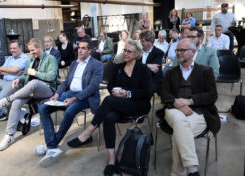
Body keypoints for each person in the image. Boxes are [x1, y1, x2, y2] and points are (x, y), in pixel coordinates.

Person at [67, 40, 154, 176]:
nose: (125, 53)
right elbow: (109, 85)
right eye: (124, 50)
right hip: (118, 102)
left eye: (129, 51)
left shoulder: (142, 69)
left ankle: (88, 132)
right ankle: (112, 160)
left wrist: (128, 93)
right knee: (108, 117)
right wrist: (116, 92)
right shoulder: (118, 67)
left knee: (108, 100)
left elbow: (148, 91)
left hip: (138, 105)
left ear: (137, 54)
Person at [34, 38, 103, 167]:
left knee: (69, 112)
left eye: (83, 48)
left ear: (90, 51)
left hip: (85, 97)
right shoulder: (74, 63)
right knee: (43, 108)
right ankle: (52, 146)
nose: (79, 50)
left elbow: (92, 87)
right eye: (79, 47)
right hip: (69, 93)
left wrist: (75, 99)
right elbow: (65, 83)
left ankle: (51, 145)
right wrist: (57, 94)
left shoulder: (97, 65)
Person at [160, 38, 220, 176]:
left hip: (198, 112)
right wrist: (175, 103)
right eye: (177, 50)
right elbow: (163, 94)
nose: (179, 53)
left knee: (179, 135)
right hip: (173, 111)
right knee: (180, 122)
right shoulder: (171, 72)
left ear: (193, 52)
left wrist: (190, 101)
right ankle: (193, 169)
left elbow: (212, 96)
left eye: (182, 50)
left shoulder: (206, 71)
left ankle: (177, 173)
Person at [0, 38, 58, 151]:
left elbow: (51, 77)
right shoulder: (31, 59)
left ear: (39, 47)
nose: (31, 53)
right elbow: (26, 75)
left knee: (34, 82)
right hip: (30, 90)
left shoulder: (51, 59)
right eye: (30, 51)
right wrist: (19, 79)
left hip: (46, 89)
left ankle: (6, 100)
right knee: (16, 103)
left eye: (33, 50)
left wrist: (36, 73)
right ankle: (8, 136)